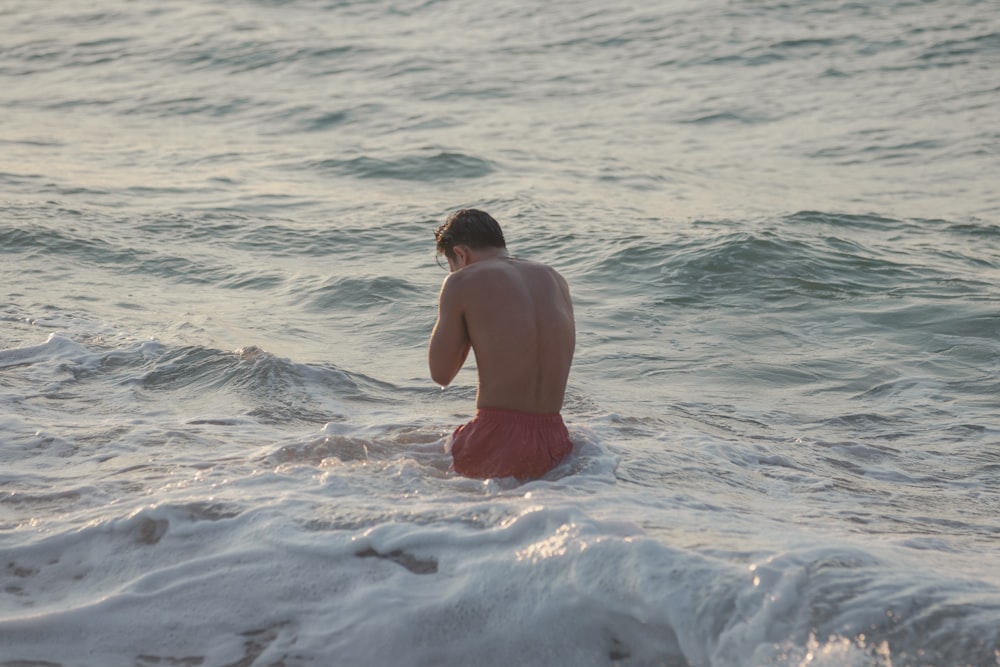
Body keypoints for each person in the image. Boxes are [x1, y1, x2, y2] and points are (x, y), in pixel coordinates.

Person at [429, 209, 575, 480]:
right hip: (555, 440)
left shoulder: (462, 280)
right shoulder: (555, 279)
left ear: (460, 254)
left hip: (496, 439)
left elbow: (441, 374)